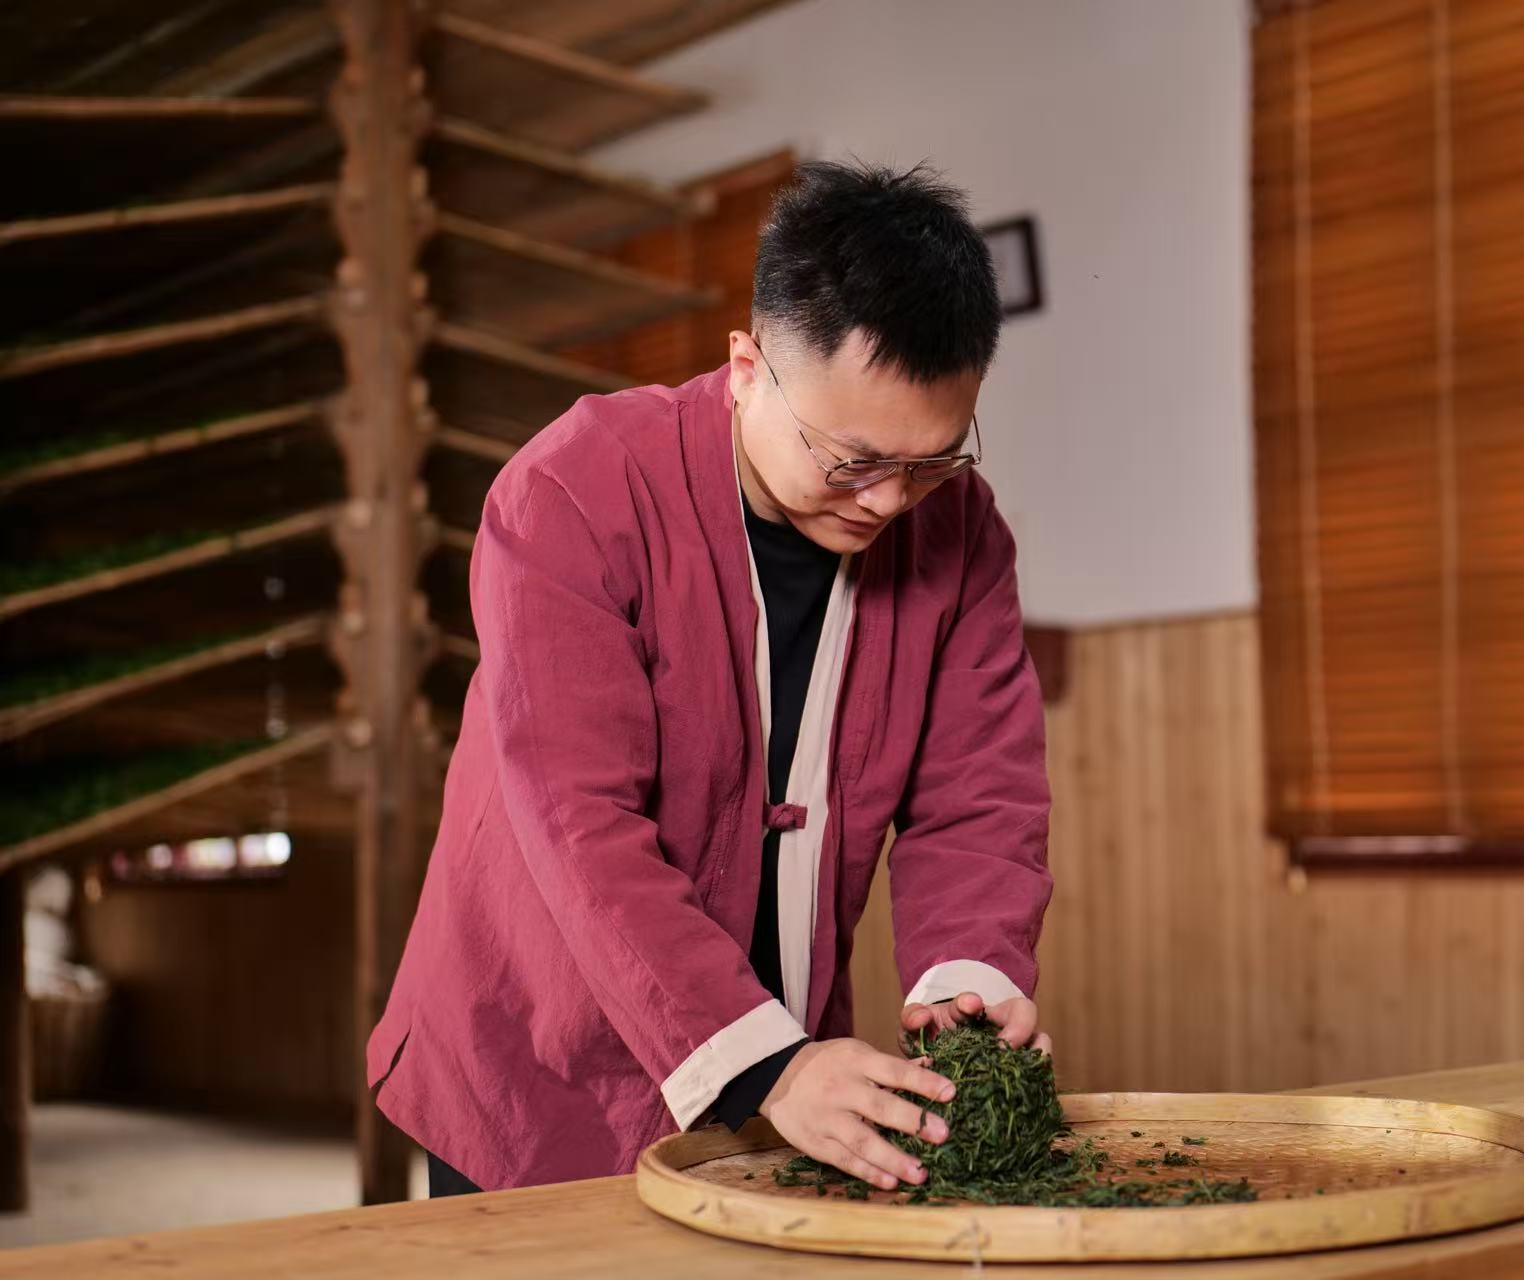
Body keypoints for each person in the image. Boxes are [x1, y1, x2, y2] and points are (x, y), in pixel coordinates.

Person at [366, 160, 1054, 1197]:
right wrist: (769, 1063)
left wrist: (965, 972)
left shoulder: (963, 534)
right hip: (537, 1051)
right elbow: (577, 819)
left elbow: (979, 793)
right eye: (852, 458)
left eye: (932, 460)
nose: (887, 502)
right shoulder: (570, 492)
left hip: (788, 1072)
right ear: (746, 367)